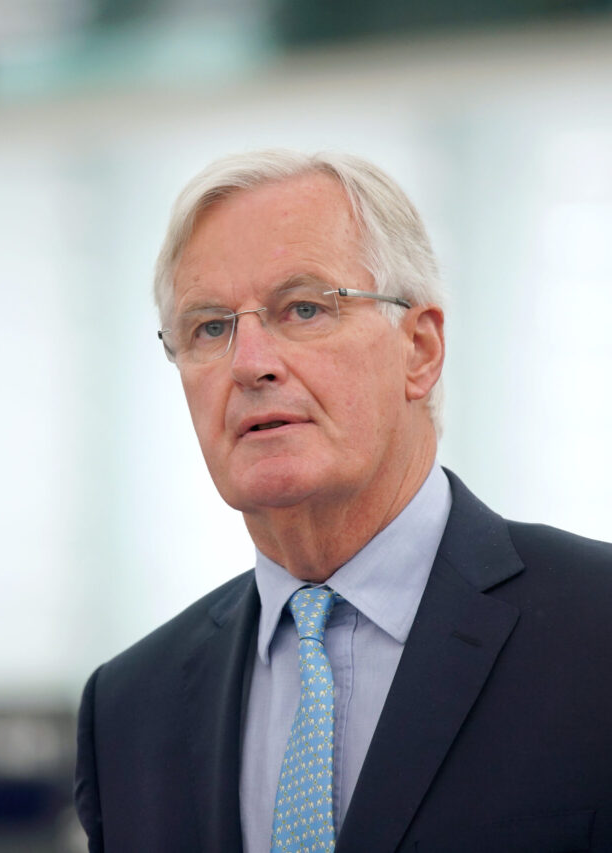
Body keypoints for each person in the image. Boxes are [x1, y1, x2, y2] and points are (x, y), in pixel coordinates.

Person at [75, 150, 612, 853]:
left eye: (303, 308)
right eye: (209, 326)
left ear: (419, 349)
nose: (249, 364)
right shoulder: (127, 710)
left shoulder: (595, 630)